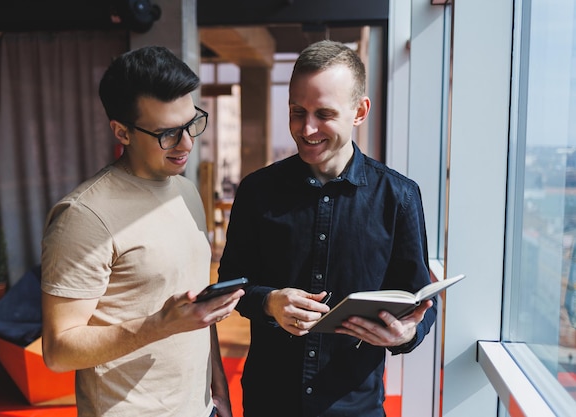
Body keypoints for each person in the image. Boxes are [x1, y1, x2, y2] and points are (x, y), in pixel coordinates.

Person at [217, 39, 437, 416]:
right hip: (269, 402)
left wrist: (408, 334)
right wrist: (269, 302)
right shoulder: (256, 191)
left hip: (356, 406)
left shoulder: (398, 196)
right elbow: (232, 283)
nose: (307, 128)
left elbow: (419, 299)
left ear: (360, 111)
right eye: (297, 111)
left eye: (324, 113)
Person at [40, 46, 244, 417]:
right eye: (168, 133)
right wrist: (157, 325)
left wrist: (218, 388)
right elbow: (57, 351)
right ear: (122, 132)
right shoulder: (84, 215)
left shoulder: (185, 190)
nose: (186, 143)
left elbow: (194, 310)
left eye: (191, 123)